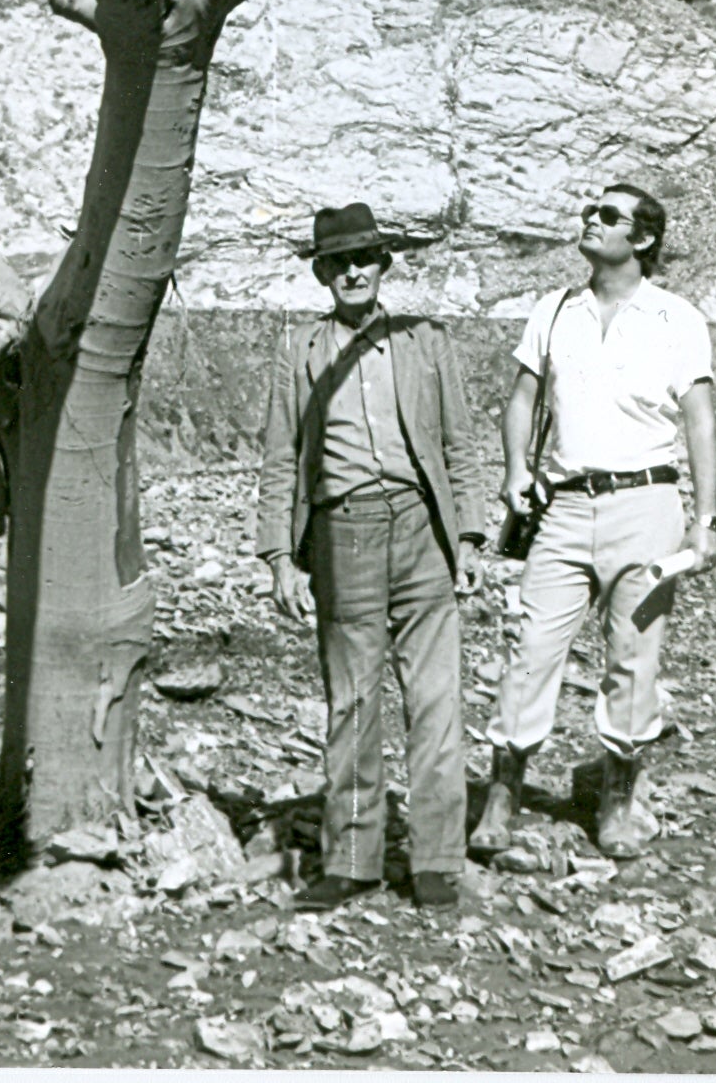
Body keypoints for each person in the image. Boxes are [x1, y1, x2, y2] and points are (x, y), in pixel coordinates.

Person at [472, 182, 716, 860]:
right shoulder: (554, 311)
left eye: (608, 215)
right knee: (528, 650)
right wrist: (516, 472)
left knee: (633, 660)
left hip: (646, 503)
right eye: (589, 209)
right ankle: (503, 793)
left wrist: (706, 518)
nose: (591, 219)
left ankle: (617, 799)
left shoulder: (677, 319)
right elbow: (520, 399)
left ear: (641, 239)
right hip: (563, 504)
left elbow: (700, 421)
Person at [257, 202, 486, 910]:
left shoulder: (427, 344)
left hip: (422, 530)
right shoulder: (300, 351)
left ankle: (437, 862)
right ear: (323, 273)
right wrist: (277, 557)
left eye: (365, 258)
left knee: (436, 701)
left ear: (384, 266)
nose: (353, 271)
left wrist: (471, 537)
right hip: (341, 533)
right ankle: (351, 861)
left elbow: (458, 444)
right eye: (338, 261)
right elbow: (279, 456)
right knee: (352, 700)